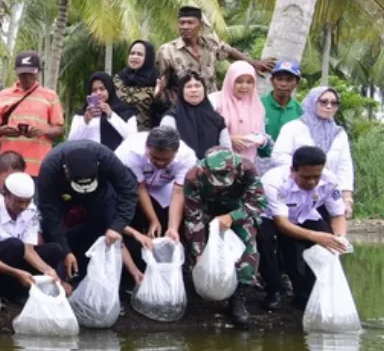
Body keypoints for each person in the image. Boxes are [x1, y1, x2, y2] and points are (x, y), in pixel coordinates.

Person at [258, 146, 349, 312]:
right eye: (306, 177)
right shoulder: (273, 181)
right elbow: (282, 224)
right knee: (265, 240)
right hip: (273, 218)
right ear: (293, 170)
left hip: (306, 214)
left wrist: (339, 237)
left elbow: (337, 215)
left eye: (317, 176)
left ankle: (307, 292)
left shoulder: (330, 180)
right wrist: (316, 237)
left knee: (329, 245)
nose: (312, 182)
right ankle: (274, 290)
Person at [181, 149, 266, 326]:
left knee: (248, 241)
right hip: (207, 211)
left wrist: (232, 217)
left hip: (239, 210)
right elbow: (193, 216)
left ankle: (239, 297)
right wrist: (199, 254)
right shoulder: (193, 176)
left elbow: (258, 203)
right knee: (197, 246)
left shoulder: (247, 169)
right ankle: (198, 290)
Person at [0, 172, 68, 308]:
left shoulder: (30, 210)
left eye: (27, 201)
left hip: (14, 260)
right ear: (5, 194)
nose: (23, 206)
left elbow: (29, 250)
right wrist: (16, 273)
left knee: (54, 250)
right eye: (19, 201)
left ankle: (15, 291)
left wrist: (48, 270)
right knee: (14, 245)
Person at [35, 140, 137, 278]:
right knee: (55, 237)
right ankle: (62, 273)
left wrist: (117, 226)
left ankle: (94, 274)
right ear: (65, 171)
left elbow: (129, 191)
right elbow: (49, 214)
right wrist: (65, 251)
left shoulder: (107, 158)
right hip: (61, 195)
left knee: (106, 225)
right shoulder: (50, 168)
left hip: (100, 195)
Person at [116, 127, 195, 267]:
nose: (160, 163)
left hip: (164, 186)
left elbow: (178, 192)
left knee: (168, 223)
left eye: (166, 160)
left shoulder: (187, 157)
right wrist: (153, 220)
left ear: (175, 153)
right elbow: (140, 187)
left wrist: (173, 228)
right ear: (147, 148)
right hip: (131, 185)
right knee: (134, 218)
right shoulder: (130, 152)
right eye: (154, 157)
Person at [272, 87, 354, 218]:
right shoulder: (293, 127)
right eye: (323, 102)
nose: (329, 106)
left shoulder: (339, 133)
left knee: (329, 232)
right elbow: (277, 156)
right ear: (312, 102)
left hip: (327, 193)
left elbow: (344, 166)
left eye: (334, 103)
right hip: (297, 191)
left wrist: (347, 198)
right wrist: (307, 168)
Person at [156, 6, 274, 90]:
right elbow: (160, 82)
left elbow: (230, 51)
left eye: (190, 23)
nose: (185, 27)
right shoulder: (167, 51)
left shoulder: (210, 44)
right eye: (182, 23)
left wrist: (254, 63)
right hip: (183, 108)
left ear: (200, 25)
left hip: (211, 105)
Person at [0, 52, 64, 176]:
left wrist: (43, 131)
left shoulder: (50, 95)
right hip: (9, 165)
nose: (26, 77)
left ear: (38, 72)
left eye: (31, 73)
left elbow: (59, 129)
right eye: (23, 73)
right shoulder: (3, 94)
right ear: (16, 72)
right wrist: (3, 130)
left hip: (39, 164)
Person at [212, 61, 268, 166]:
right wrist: (229, 138)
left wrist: (259, 139)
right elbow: (204, 132)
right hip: (219, 164)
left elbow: (262, 134)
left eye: (249, 82)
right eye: (239, 81)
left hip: (248, 164)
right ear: (230, 80)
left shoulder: (257, 105)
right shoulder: (215, 101)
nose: (244, 86)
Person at [161, 71, 230, 155]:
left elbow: (227, 149)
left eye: (197, 86)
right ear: (181, 91)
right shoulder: (171, 117)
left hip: (213, 166)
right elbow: (167, 148)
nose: (194, 90)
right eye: (188, 86)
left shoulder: (216, 119)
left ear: (204, 89)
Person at [68, 72, 137, 150]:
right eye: (94, 90)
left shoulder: (125, 111)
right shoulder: (82, 114)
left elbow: (133, 138)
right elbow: (72, 141)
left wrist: (111, 115)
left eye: (102, 89)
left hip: (116, 159)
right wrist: (85, 121)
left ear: (109, 89)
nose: (98, 93)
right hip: (89, 159)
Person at [259, 60, 303, 164]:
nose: (283, 84)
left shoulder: (300, 111)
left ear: (297, 83)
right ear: (271, 80)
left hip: (288, 164)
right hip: (259, 162)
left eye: (289, 80)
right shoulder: (258, 105)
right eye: (279, 79)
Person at [115, 40, 164, 130]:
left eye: (139, 54)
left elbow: (163, 109)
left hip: (146, 135)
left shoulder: (156, 80)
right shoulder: (119, 78)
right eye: (132, 53)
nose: (134, 57)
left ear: (148, 58)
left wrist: (158, 97)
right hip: (119, 133)